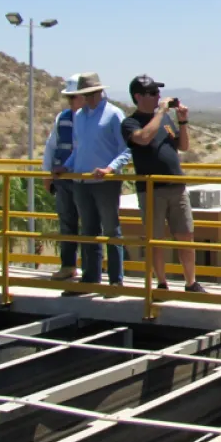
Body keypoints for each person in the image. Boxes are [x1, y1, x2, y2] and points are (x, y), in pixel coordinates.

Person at [121, 75, 206, 293]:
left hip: (176, 186)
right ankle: (161, 284)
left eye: (158, 93)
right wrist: (160, 112)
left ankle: (191, 282)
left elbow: (183, 146)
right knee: (155, 240)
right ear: (138, 97)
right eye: (152, 93)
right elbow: (142, 138)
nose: (158, 97)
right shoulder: (130, 123)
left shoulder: (166, 121)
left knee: (186, 235)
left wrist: (183, 122)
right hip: (152, 190)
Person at [55, 72, 131, 289]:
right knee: (88, 231)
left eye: (89, 94)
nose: (86, 98)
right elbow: (78, 149)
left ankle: (116, 280)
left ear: (99, 92)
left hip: (105, 183)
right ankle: (90, 279)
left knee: (110, 230)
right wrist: (66, 166)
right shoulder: (79, 117)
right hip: (81, 181)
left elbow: (126, 150)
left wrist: (110, 168)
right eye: (83, 94)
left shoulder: (114, 115)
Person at [41, 73, 86, 282]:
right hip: (63, 179)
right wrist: (47, 174)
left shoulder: (93, 119)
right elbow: (52, 146)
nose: (71, 101)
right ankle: (68, 266)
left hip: (84, 179)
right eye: (69, 97)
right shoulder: (63, 118)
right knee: (67, 223)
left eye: (74, 96)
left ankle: (90, 269)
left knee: (89, 224)